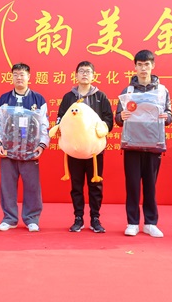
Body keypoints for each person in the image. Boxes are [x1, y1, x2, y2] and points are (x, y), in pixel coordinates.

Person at [115, 50, 172, 238]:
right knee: (132, 185)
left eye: (147, 64)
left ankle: (150, 223)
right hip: (131, 144)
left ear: (152, 66)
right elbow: (118, 119)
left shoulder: (162, 91)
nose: (143, 68)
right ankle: (132, 222)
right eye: (139, 65)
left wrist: (166, 117)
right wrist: (121, 116)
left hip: (154, 144)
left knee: (150, 186)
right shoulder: (127, 91)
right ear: (135, 67)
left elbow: (170, 115)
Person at [0, 63, 50, 232]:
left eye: (22, 74)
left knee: (32, 186)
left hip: (30, 151)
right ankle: (9, 218)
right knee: (7, 186)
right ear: (11, 77)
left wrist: (41, 145)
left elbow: (44, 125)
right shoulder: (4, 99)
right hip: (7, 151)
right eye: (15, 74)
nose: (19, 78)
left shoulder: (38, 99)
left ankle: (32, 218)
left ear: (29, 77)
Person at [55, 61, 113, 233]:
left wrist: (103, 128)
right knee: (76, 185)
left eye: (88, 71)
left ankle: (95, 218)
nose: (85, 74)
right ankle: (78, 218)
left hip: (95, 150)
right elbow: (60, 118)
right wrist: (59, 128)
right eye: (81, 71)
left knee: (96, 185)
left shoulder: (100, 97)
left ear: (93, 75)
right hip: (74, 150)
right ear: (76, 75)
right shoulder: (69, 97)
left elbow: (108, 119)